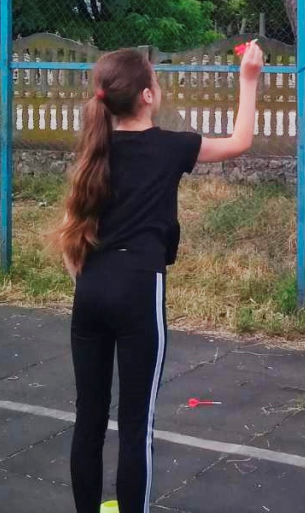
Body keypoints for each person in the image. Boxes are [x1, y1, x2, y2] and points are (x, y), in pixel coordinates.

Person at [57, 43, 264, 513]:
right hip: (137, 288)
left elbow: (73, 233)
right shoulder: (172, 147)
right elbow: (240, 141)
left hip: (91, 287)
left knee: (88, 420)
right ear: (147, 95)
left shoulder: (95, 150)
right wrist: (248, 78)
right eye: (154, 76)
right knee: (136, 425)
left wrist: (87, 284)